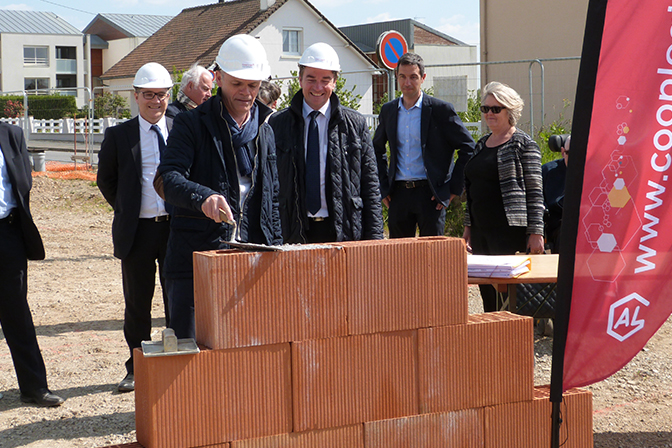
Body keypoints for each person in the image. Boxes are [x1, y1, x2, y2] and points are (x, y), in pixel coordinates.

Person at [157, 35, 281, 340]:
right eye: (237, 83)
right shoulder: (191, 124)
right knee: (192, 357)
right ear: (219, 77)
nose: (246, 92)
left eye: (253, 85)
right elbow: (167, 179)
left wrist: (277, 251)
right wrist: (203, 198)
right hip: (196, 260)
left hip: (252, 259)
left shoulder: (266, 129)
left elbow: (273, 199)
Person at [97, 62, 174, 393]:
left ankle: (176, 359)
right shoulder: (119, 136)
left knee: (179, 299)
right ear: (136, 96)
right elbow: (106, 180)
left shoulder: (181, 127)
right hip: (138, 232)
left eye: (161, 95)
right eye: (148, 95)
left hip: (176, 231)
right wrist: (129, 209)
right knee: (137, 304)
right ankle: (137, 365)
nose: (155, 101)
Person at [269, 42, 382, 244]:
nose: (318, 87)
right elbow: (269, 186)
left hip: (343, 231)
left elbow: (370, 186)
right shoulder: (278, 124)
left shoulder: (355, 124)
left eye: (325, 80)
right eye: (311, 79)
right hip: (293, 232)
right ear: (300, 79)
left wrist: (375, 240)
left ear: (335, 82)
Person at [463, 81, 545, 313]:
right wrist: (468, 228)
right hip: (480, 232)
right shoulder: (480, 145)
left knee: (509, 294)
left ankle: (513, 339)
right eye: (485, 108)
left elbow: (535, 191)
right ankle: (492, 338)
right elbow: (472, 189)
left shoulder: (524, 144)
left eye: (495, 109)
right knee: (487, 290)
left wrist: (536, 231)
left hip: (509, 232)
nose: (489, 113)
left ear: (510, 111)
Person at [373, 52, 475, 237]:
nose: (407, 83)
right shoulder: (388, 111)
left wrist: (452, 190)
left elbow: (468, 147)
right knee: (399, 257)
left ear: (423, 78)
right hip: (398, 194)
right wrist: (383, 187)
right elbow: (376, 148)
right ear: (396, 77)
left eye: (413, 77)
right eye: (402, 77)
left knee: (432, 258)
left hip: (431, 195)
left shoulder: (440, 110)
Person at [0, 122, 65, 407]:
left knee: (16, 311)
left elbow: (23, 177)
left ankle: (34, 387)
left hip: (7, 232)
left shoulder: (11, 134)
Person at [541, 134, 569, 254]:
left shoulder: (595, 170)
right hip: (558, 224)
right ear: (563, 152)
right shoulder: (548, 171)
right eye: (571, 153)